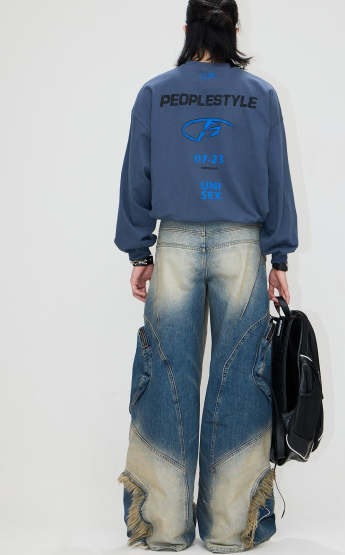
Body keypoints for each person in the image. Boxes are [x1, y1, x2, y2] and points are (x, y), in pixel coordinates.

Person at [114, 0, 298, 551]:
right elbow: (277, 178)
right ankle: (229, 528)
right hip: (242, 248)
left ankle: (164, 527)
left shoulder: (155, 93)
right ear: (235, 29)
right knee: (241, 378)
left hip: (173, 245)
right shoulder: (261, 95)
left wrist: (139, 253)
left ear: (186, 28)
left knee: (167, 376)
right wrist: (279, 258)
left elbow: (136, 175)